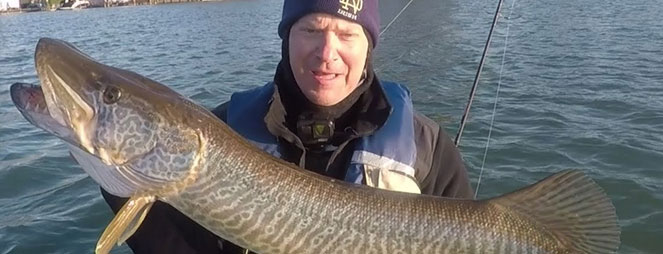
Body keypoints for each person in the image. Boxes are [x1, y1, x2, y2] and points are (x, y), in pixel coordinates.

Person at [101, 0, 473, 252]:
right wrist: (118, 184)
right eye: (311, 29)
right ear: (287, 38)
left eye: (347, 35)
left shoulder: (428, 147)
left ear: (368, 47)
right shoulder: (223, 130)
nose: (327, 53)